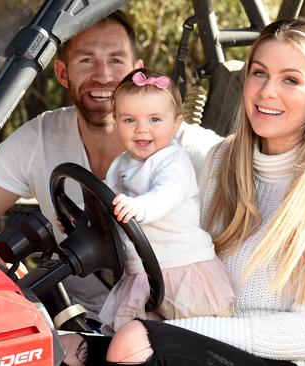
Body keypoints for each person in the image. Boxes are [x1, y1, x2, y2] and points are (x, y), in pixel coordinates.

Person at [61, 18, 305, 366]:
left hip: (276, 357)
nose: (267, 91)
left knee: (133, 342)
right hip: (203, 335)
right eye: (259, 73)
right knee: (64, 347)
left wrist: (184, 331)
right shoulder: (221, 162)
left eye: (290, 79)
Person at [0, 11, 221, 325]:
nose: (103, 75)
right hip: (71, 320)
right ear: (62, 72)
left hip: (174, 322)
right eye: (87, 60)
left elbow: (256, 174)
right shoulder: (40, 138)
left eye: (116, 60)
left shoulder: (182, 146)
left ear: (136, 71)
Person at [98, 68, 235, 333]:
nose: (141, 129)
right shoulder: (121, 164)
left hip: (184, 268)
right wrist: (79, 214)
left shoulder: (173, 160)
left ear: (175, 125)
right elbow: (102, 197)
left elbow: (167, 194)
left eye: (154, 119)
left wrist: (139, 207)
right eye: (129, 120)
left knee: (193, 336)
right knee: (133, 337)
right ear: (116, 122)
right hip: (143, 272)